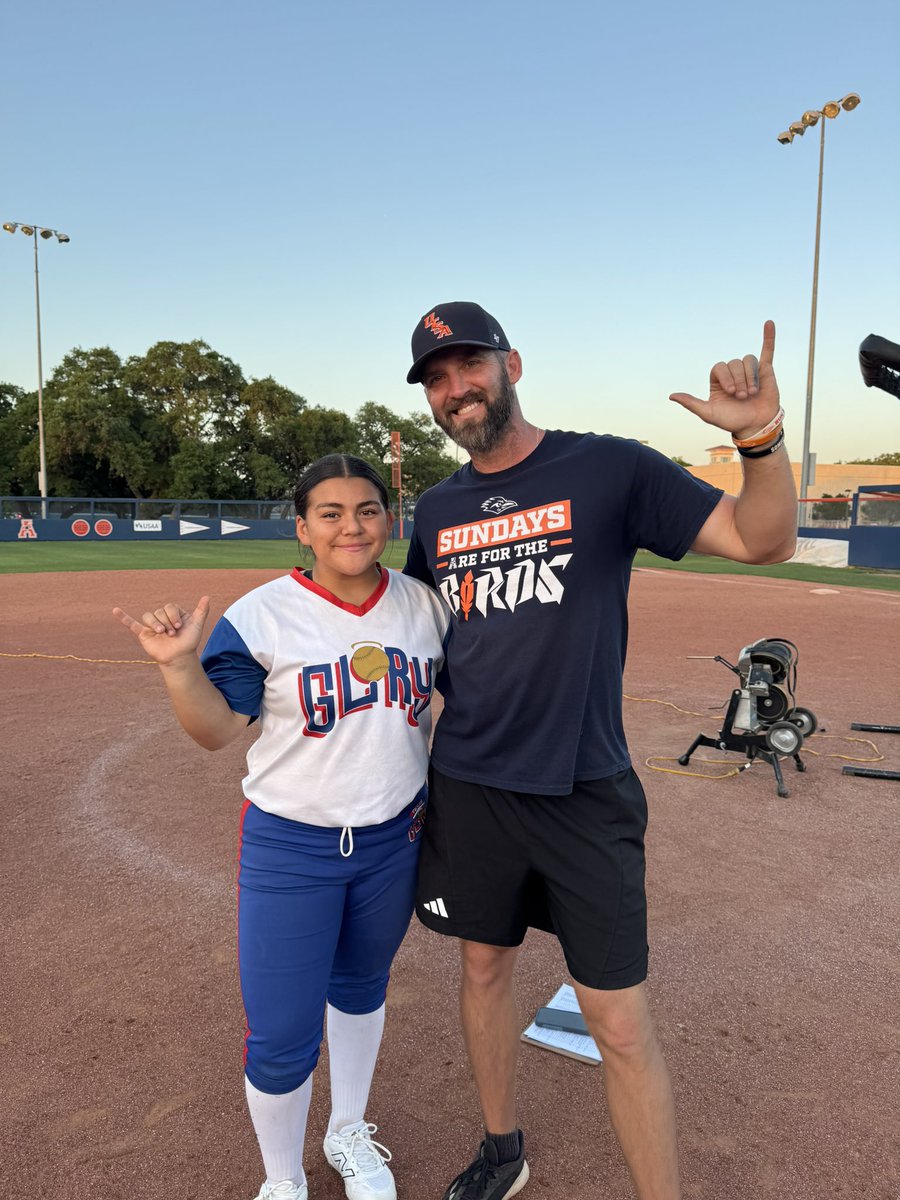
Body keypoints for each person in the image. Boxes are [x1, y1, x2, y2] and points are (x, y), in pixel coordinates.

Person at [403, 301, 798, 1200]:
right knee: (482, 967)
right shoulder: (436, 508)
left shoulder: (607, 467)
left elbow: (763, 539)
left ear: (511, 365)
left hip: (583, 788)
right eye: (436, 378)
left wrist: (760, 439)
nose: (455, 388)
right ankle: (502, 1150)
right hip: (470, 787)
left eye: (469, 365)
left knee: (618, 1022)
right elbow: (422, 639)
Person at [113, 454, 450, 1200]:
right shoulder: (261, 615)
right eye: (329, 513)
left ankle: (347, 1129)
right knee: (281, 1032)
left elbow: (461, 705)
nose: (350, 526)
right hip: (291, 847)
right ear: (302, 528)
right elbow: (214, 731)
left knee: (362, 986)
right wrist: (179, 667)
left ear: (388, 520)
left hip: (393, 840)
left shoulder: (426, 608)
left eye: (366, 510)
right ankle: (283, 1178)